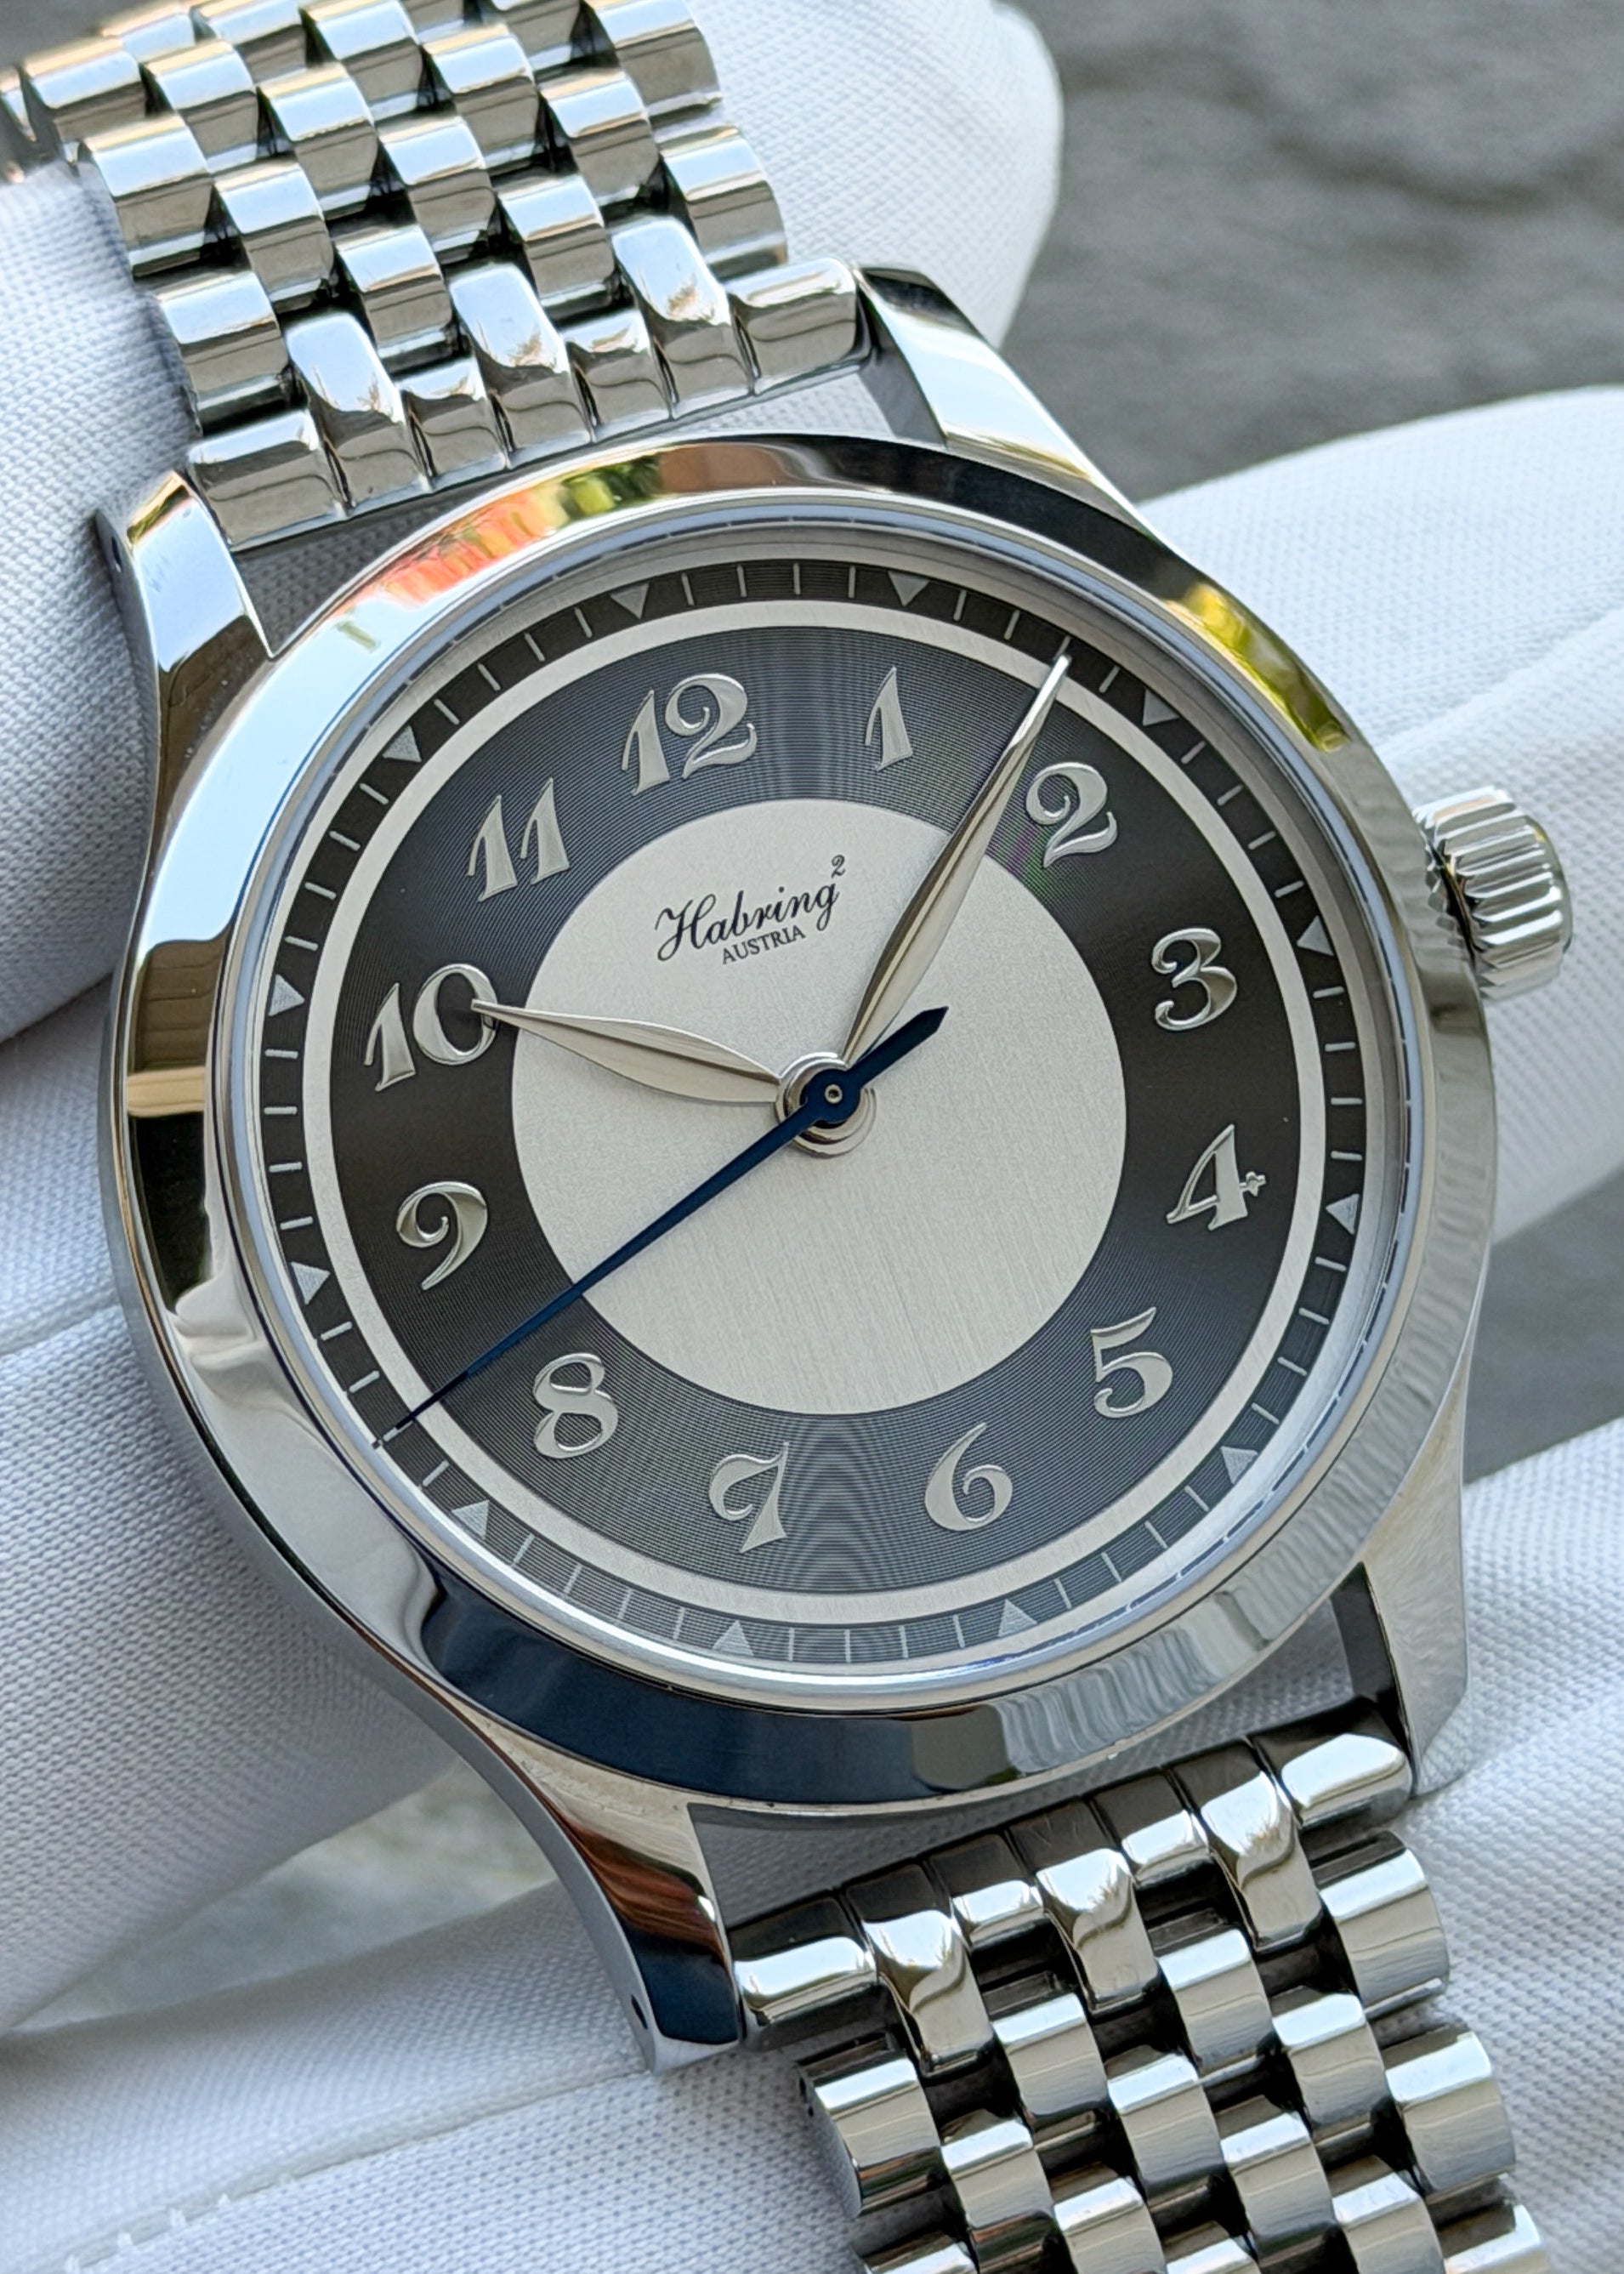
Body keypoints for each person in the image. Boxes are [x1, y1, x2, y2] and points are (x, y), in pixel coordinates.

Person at [2, 2, 1621, 2262]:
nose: (819, 1098)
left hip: (1251, 1614)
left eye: (821, 1088)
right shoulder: (249, 606)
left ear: (1445, 902)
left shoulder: (938, 456)